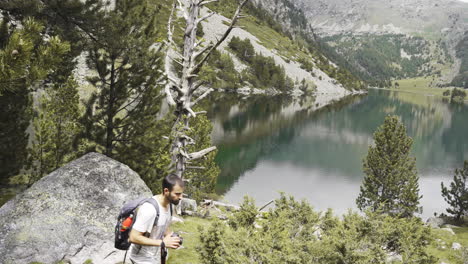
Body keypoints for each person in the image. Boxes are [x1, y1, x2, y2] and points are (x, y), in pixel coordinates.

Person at [129, 174, 184, 264]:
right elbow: (133, 237)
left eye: (181, 193)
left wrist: (172, 237)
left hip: (156, 256)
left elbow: (164, 226)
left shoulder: (170, 206)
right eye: (177, 194)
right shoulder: (149, 209)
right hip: (141, 259)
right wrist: (162, 243)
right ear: (166, 191)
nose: (181, 197)